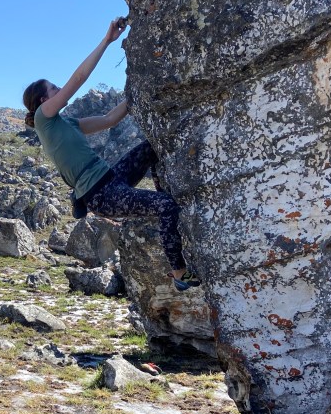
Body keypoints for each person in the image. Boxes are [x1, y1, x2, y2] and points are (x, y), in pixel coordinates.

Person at [22, 16, 199, 291]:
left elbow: (109, 119)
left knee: (151, 148)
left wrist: (135, 89)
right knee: (166, 206)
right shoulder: (44, 118)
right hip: (101, 195)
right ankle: (179, 273)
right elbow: (79, 79)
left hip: (110, 178)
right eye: (54, 89)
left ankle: (160, 200)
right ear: (44, 101)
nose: (59, 90)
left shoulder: (67, 123)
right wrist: (106, 41)